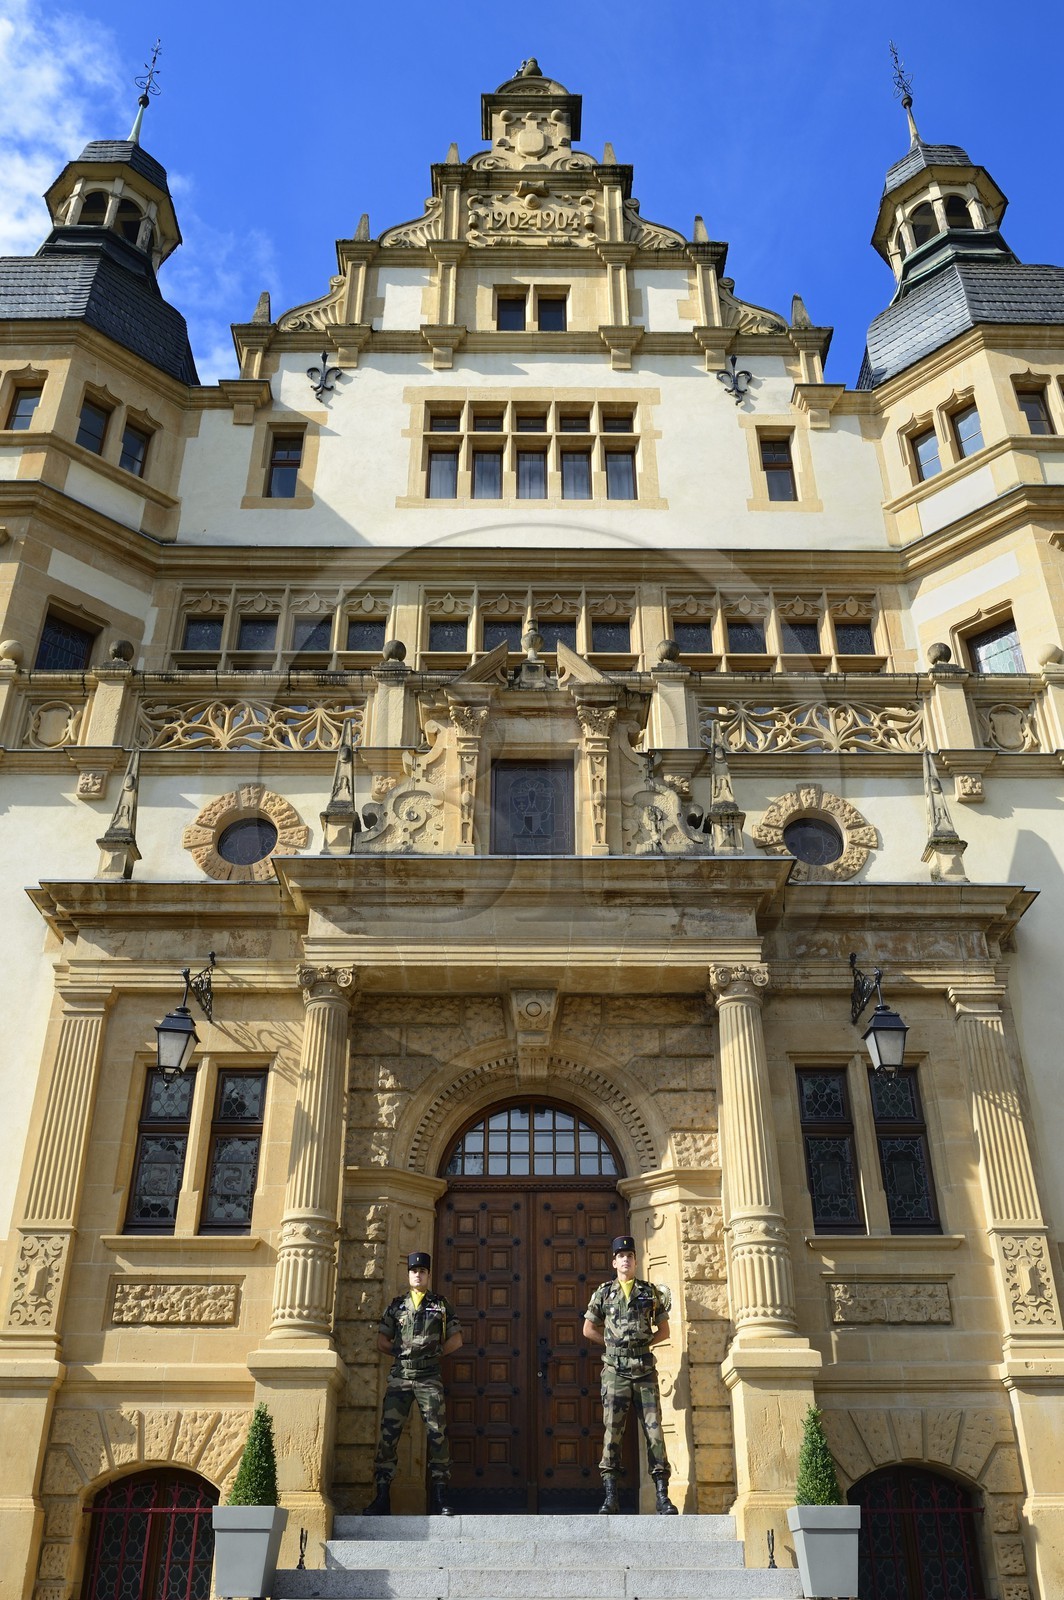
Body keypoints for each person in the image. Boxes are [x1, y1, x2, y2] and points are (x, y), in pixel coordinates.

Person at [583, 1234, 678, 1515]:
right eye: (621, 1256)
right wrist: (612, 1345)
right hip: (615, 1373)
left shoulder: (649, 1293)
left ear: (636, 1261)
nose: (626, 1259)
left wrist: (642, 1344)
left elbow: (664, 1330)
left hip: (645, 1371)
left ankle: (662, 1497)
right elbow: (588, 1329)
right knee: (613, 1432)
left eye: (630, 1256)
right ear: (614, 1262)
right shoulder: (604, 1293)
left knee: (655, 1432)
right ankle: (611, 1497)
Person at [363, 1250, 463, 1517]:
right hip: (401, 1378)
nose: (418, 1275)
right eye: (414, 1271)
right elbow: (382, 1341)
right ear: (408, 1275)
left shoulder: (440, 1305)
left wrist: (434, 1353)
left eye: (422, 1271)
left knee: (437, 1434)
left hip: (429, 1378)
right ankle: (382, 1496)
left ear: (429, 1275)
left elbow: (456, 1339)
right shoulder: (396, 1306)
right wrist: (401, 1353)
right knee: (388, 1436)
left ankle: (440, 1496)